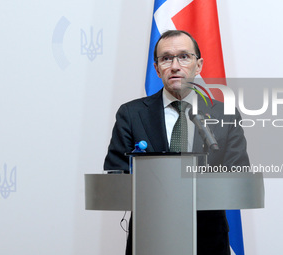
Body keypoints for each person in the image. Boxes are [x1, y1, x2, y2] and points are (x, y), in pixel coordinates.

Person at [104, 30, 249, 255]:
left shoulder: (226, 115)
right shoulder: (131, 114)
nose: (174, 66)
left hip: (208, 239)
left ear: (198, 65)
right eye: (166, 58)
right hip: (149, 237)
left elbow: (238, 176)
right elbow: (115, 175)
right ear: (156, 68)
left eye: (184, 56)